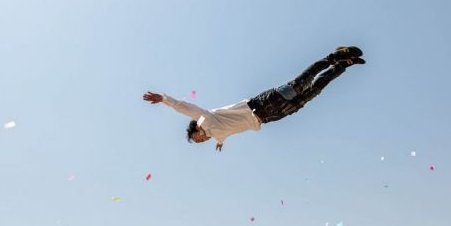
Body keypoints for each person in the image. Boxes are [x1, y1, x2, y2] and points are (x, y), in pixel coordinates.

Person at [143, 46, 364, 151]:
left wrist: (164, 99)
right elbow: (224, 135)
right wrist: (219, 143)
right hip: (270, 117)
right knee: (313, 92)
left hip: (263, 104)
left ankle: (333, 57)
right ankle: (344, 65)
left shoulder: (206, 120)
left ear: (197, 129)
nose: (202, 141)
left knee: (302, 83)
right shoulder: (217, 134)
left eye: (198, 138)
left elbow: (189, 109)